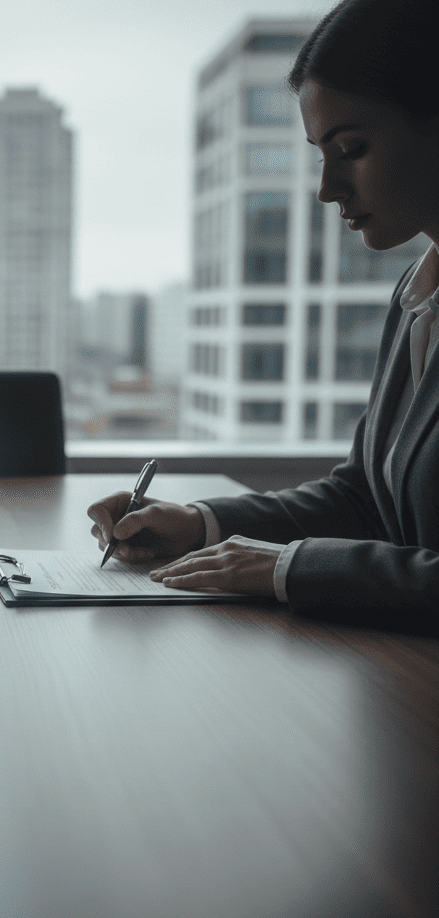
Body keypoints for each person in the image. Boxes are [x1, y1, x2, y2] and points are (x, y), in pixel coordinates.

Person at [88, 0, 439, 627]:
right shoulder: (419, 294)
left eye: (351, 148)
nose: (328, 187)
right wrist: (200, 523)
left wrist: (289, 566)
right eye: (320, 153)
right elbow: (363, 497)